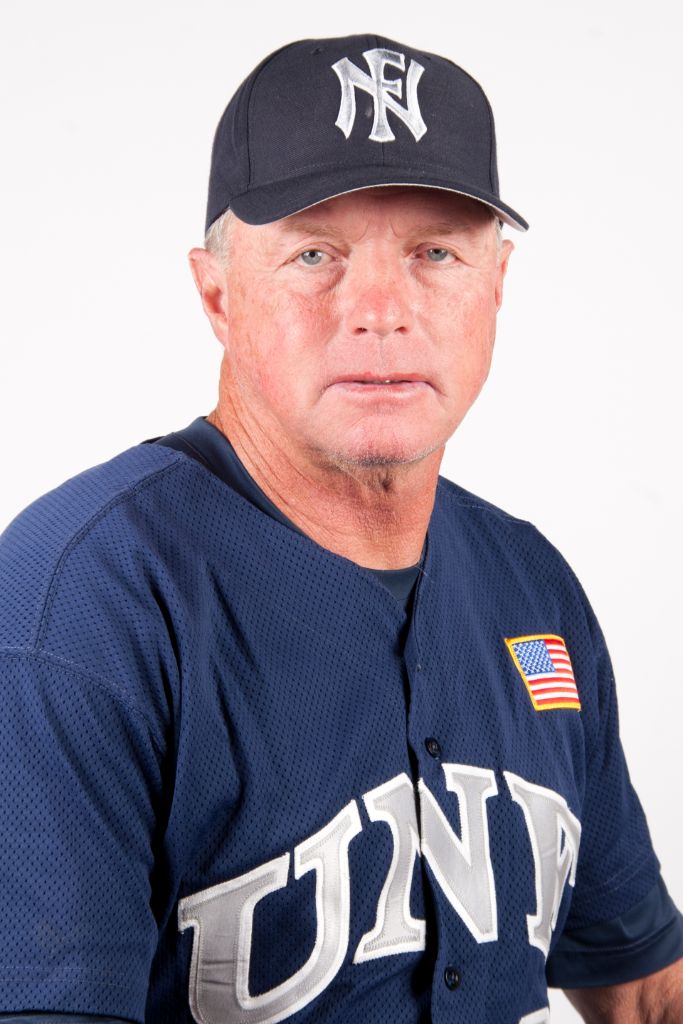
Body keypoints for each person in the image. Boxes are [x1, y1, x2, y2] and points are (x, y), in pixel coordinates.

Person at [0, 32, 681, 1024]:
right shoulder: (79, 604)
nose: (379, 311)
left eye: (434, 253)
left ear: (496, 285)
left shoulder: (530, 585)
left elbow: (636, 983)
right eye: (313, 253)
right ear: (216, 292)